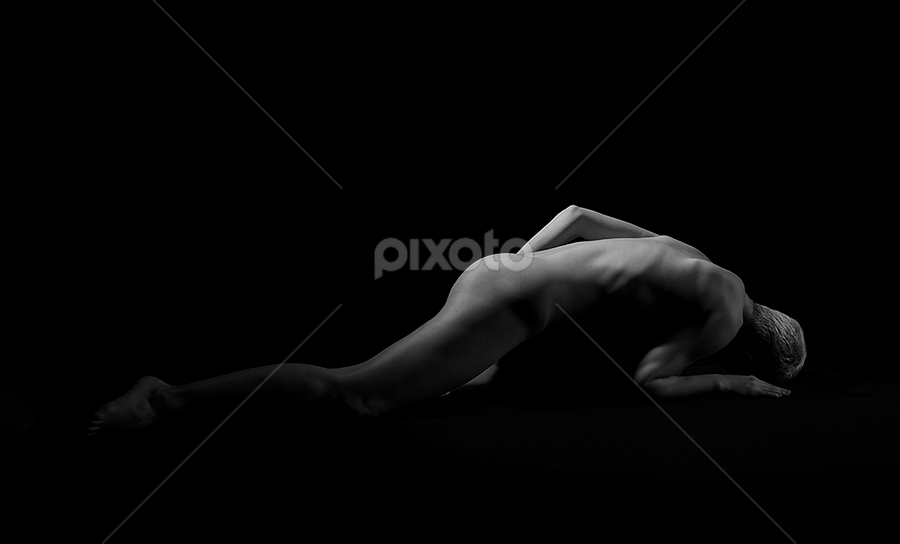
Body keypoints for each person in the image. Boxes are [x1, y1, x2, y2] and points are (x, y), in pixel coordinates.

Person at [88, 205, 805, 432]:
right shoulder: (721, 320)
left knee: (471, 384)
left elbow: (579, 214)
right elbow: (648, 381)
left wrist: (518, 265)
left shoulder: (697, 257)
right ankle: (165, 400)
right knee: (358, 394)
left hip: (505, 277)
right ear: (749, 348)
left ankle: (478, 363)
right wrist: (726, 385)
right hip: (512, 301)